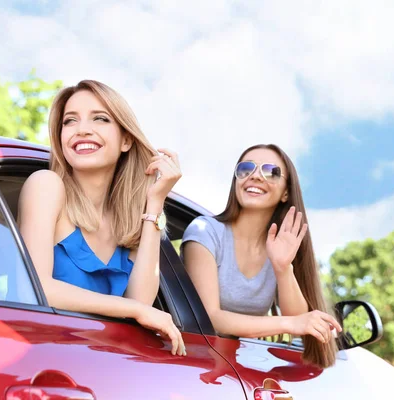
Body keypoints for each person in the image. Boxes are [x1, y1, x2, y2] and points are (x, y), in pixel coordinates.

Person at [18, 80, 185, 356]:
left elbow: (140, 300)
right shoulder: (46, 185)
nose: (82, 129)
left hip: (100, 366)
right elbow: (38, 289)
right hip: (43, 357)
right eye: (70, 121)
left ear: (126, 140)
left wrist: (155, 202)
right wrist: (134, 309)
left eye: (100, 118)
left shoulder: (130, 220)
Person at [181, 144, 341, 367]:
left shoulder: (279, 247)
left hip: (237, 363)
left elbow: (297, 319)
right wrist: (288, 324)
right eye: (246, 169)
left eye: (270, 171)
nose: (255, 176)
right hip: (191, 361)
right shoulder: (205, 232)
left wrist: (283, 268)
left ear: (286, 191)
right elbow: (211, 316)